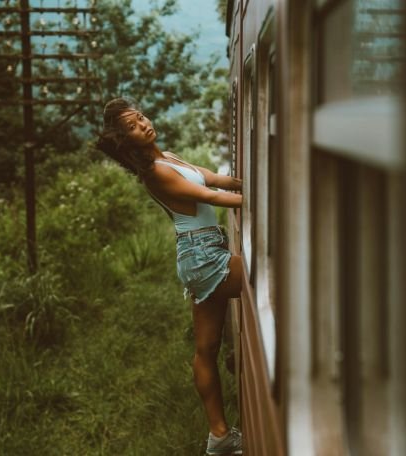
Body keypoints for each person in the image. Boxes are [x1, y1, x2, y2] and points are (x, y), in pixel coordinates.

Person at [96, 98, 244, 455]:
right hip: (202, 255)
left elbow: (215, 179)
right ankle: (220, 433)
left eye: (141, 118)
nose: (143, 125)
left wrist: (248, 180)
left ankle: (219, 437)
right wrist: (268, 196)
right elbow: (209, 195)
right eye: (132, 126)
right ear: (125, 140)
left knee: (206, 349)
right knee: (264, 275)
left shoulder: (169, 158)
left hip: (201, 252)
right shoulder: (155, 172)